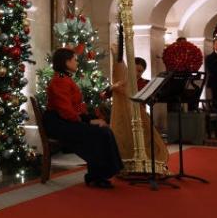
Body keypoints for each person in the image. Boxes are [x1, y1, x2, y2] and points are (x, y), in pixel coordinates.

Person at [43, 47, 123, 188]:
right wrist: (89, 120)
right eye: (75, 60)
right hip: (58, 123)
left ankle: (100, 173)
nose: (77, 63)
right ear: (66, 62)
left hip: (65, 120)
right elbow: (65, 111)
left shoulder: (65, 78)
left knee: (102, 130)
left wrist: (90, 117)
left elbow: (75, 108)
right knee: (100, 132)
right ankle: (97, 175)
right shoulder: (60, 81)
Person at [109, 47, 168, 175]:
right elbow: (104, 94)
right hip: (123, 115)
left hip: (139, 115)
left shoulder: (145, 84)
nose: (138, 74)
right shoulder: (121, 81)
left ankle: (146, 159)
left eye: (141, 71)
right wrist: (113, 87)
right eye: (136, 70)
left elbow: (147, 100)